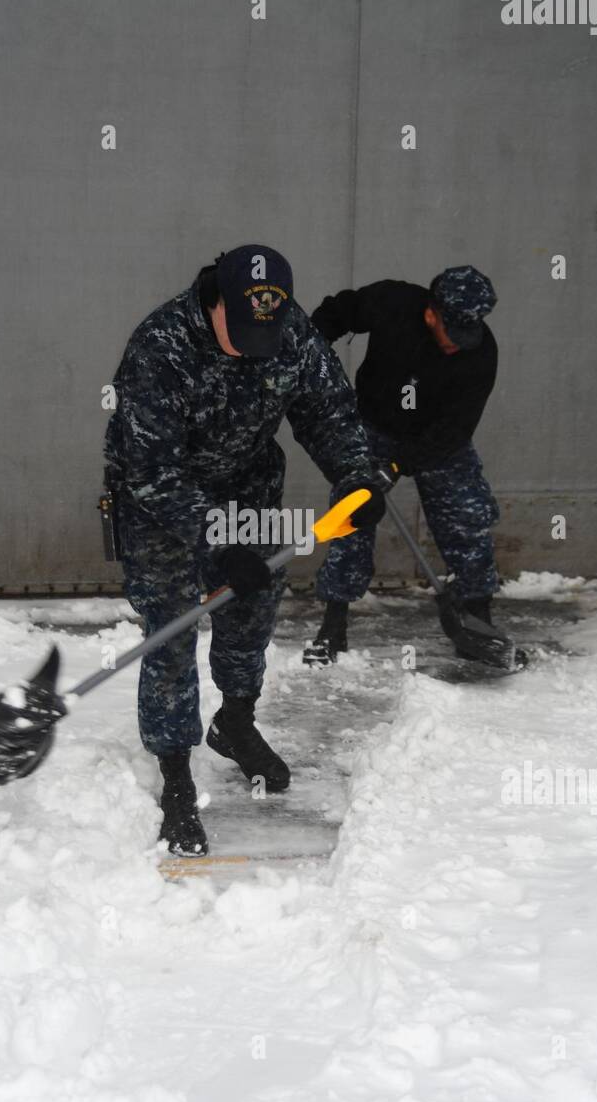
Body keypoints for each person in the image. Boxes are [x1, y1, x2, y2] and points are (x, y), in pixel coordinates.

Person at [104, 245, 383, 856]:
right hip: (162, 503)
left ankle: (234, 720)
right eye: (245, 331)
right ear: (215, 303)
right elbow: (149, 471)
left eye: (270, 330)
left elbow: (328, 412)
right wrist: (218, 538)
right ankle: (175, 774)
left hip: (247, 488)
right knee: (172, 630)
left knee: (249, 611)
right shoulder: (161, 345)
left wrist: (356, 475)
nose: (260, 343)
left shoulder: (289, 328)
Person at [305, 265, 502, 663]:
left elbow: (454, 430)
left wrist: (398, 465)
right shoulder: (391, 302)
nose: (460, 344)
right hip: (374, 426)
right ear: (432, 313)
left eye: (470, 333)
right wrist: (311, 355)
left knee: (469, 514)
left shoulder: (480, 352)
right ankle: (333, 624)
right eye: (454, 332)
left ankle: (479, 619)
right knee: (352, 515)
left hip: (436, 441)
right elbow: (338, 312)